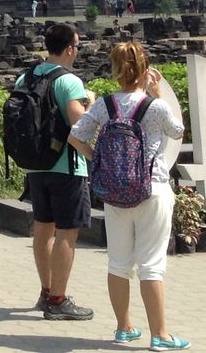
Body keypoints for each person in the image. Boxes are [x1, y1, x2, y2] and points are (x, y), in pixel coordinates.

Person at [68, 42, 188, 349]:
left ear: (115, 70)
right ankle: (160, 335)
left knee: (118, 262)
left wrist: (99, 162)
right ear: (146, 71)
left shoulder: (104, 105)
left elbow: (75, 137)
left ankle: (124, 327)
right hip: (152, 188)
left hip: (115, 191)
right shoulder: (155, 106)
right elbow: (177, 131)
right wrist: (158, 94)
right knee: (151, 265)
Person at [19, 23, 96, 320]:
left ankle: (46, 291)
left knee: (43, 227)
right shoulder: (69, 81)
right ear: (70, 49)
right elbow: (81, 127)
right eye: (77, 45)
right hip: (66, 166)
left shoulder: (25, 77)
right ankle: (59, 300)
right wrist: (91, 103)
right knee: (67, 231)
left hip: (35, 165)